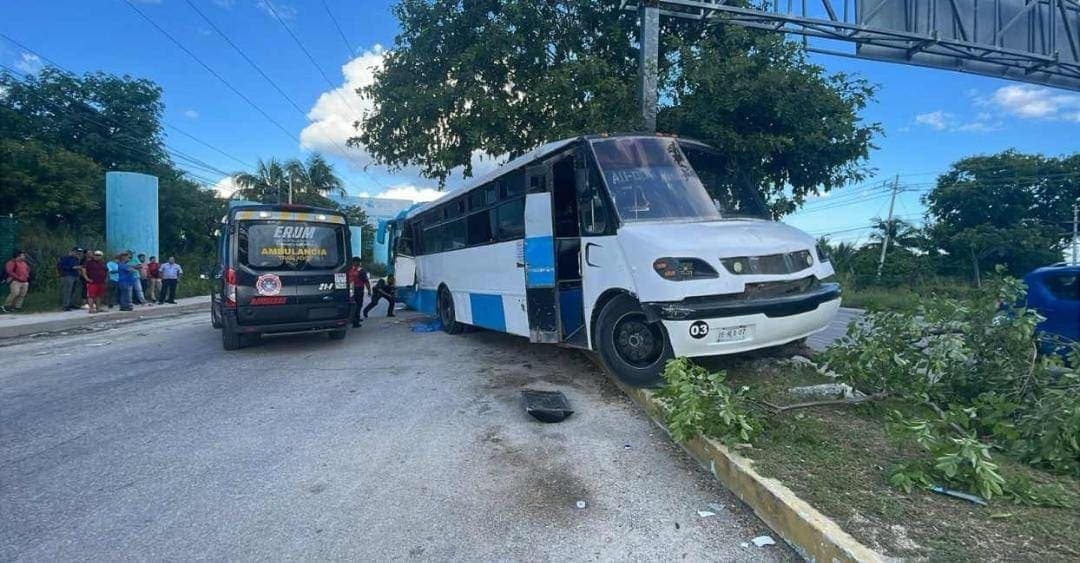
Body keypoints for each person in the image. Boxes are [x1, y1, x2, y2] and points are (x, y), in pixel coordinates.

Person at [347, 257, 371, 327]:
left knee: (352, 304)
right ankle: (356, 322)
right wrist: (369, 290)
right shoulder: (361, 271)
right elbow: (366, 281)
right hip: (358, 289)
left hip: (350, 289)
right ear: (358, 262)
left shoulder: (349, 269)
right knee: (358, 305)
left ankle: (352, 319)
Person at [82, 250, 108, 314]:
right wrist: (87, 278)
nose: (97, 256)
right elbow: (83, 270)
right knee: (91, 295)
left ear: (101, 256)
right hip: (92, 282)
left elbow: (106, 271)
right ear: (94, 255)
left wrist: (106, 279)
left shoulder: (102, 263)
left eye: (99, 255)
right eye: (96, 255)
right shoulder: (89, 262)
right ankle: (91, 309)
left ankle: (98, 308)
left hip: (101, 281)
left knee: (99, 295)